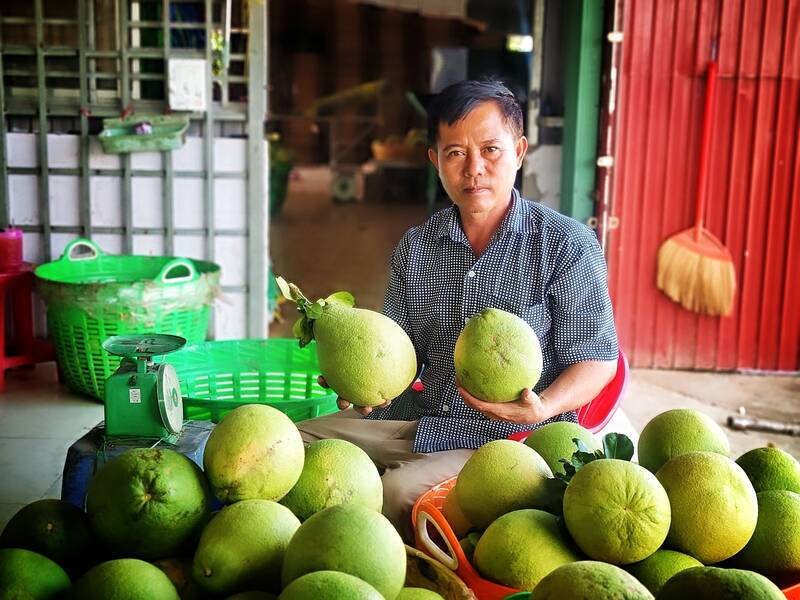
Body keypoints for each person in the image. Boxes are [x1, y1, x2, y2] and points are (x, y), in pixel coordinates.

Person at [297, 79, 618, 542]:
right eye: (455, 153)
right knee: (291, 444)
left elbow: (600, 359)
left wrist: (542, 407)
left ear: (520, 150)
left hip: (512, 444)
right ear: (435, 161)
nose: (474, 170)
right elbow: (397, 356)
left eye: (490, 150)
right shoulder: (416, 248)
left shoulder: (567, 245)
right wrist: (364, 382)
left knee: (396, 493)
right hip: (424, 420)